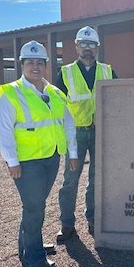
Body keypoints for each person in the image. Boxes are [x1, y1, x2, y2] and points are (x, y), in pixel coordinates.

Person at [0, 41, 78, 267]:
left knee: (35, 205)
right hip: (27, 161)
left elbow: (68, 125)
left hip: (51, 158)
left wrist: (72, 154)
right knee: (34, 207)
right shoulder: (11, 92)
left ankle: (26, 244)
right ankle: (34, 257)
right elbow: (4, 130)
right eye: (30, 62)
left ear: (46, 65)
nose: (35, 66)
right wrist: (11, 161)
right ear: (22, 65)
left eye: (40, 62)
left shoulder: (54, 93)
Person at [55, 26, 116, 241]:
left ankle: (93, 219)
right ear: (76, 46)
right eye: (83, 44)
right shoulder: (65, 73)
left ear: (97, 48)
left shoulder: (108, 71)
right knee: (70, 181)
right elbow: (56, 107)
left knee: (97, 179)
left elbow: (118, 101)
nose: (87, 48)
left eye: (92, 44)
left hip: (101, 132)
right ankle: (67, 224)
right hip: (76, 134)